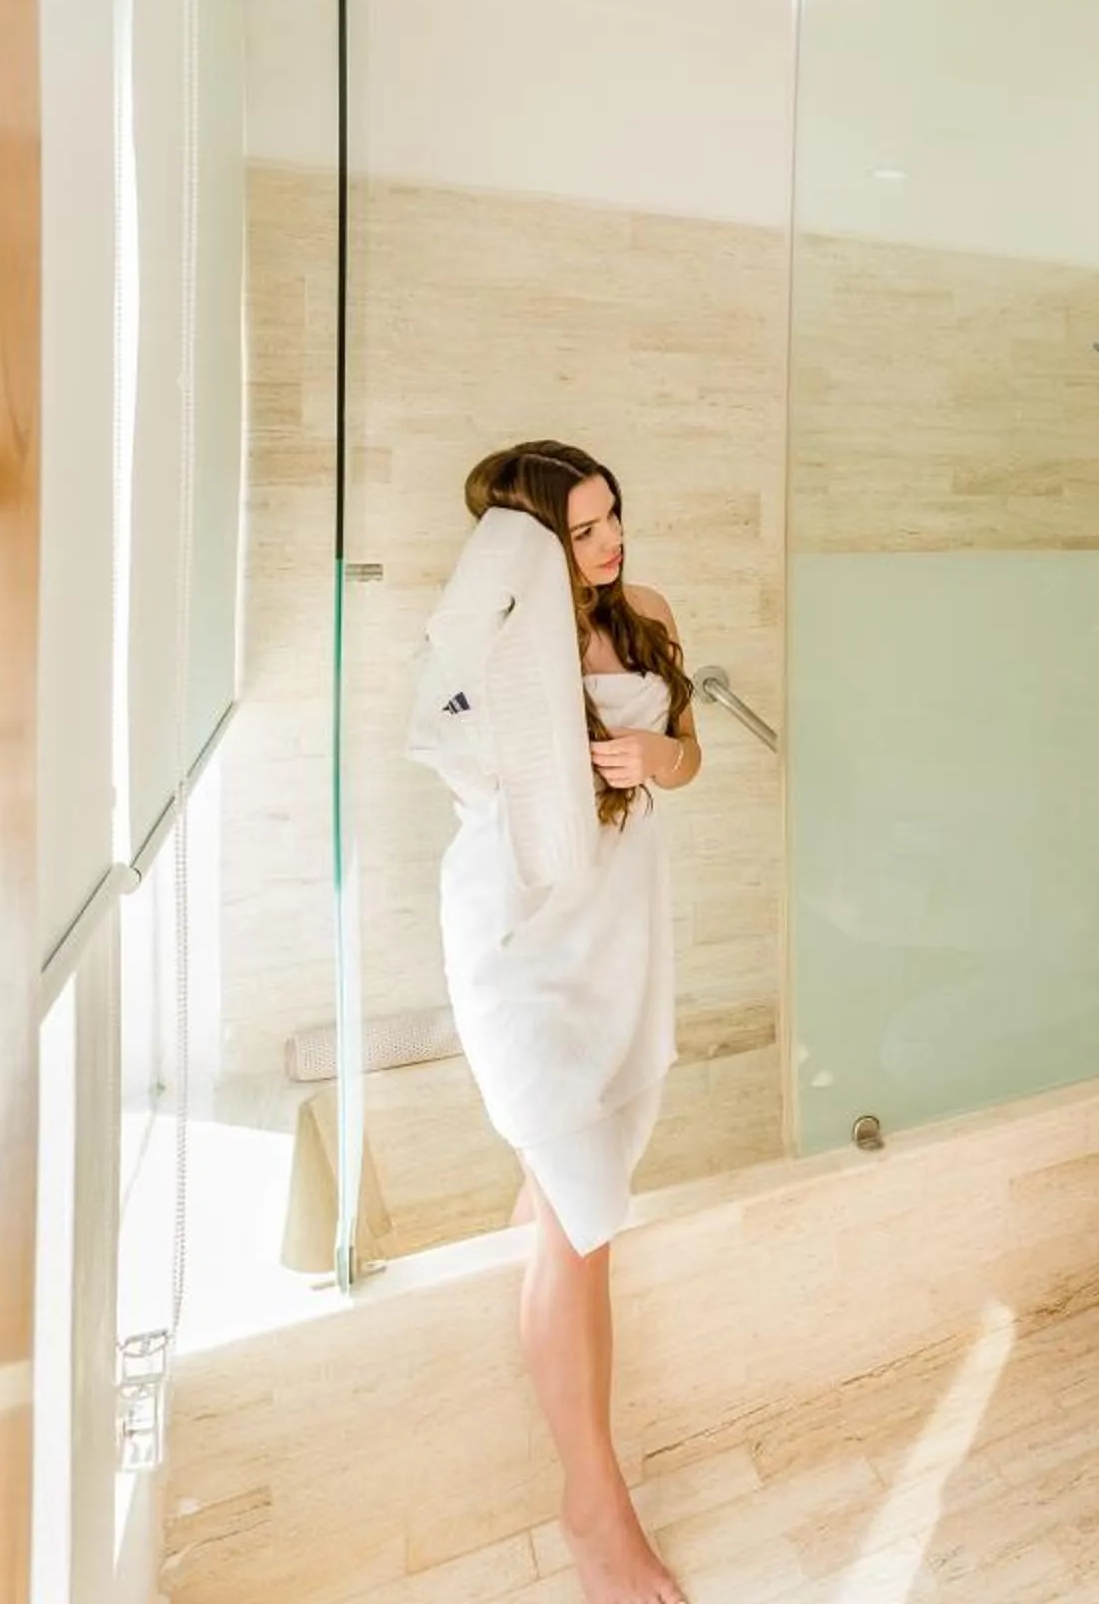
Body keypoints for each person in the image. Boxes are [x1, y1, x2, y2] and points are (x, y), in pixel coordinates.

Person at [418, 442, 701, 1604]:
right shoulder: (493, 637)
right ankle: (596, 1508)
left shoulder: (644, 614)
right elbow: (464, 762)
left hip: (619, 941)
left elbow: (690, 756)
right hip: (520, 945)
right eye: (584, 530)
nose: (611, 543)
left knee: (569, 1192)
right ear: (533, 541)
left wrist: (655, 754)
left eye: (614, 518)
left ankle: (589, 1493)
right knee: (581, 1219)